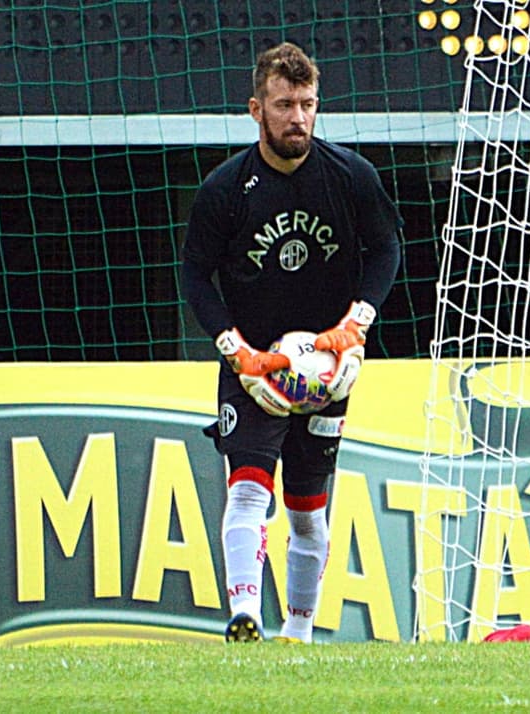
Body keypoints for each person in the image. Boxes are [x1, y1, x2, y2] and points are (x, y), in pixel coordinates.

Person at [181, 42, 402, 643]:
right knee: (249, 486)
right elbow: (196, 274)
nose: (298, 117)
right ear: (257, 109)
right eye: (284, 105)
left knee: (308, 508)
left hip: (328, 368)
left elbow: (386, 249)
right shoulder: (226, 189)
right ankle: (244, 613)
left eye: (307, 104)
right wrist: (236, 350)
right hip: (253, 366)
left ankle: (299, 630)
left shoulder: (351, 177)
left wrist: (358, 324)